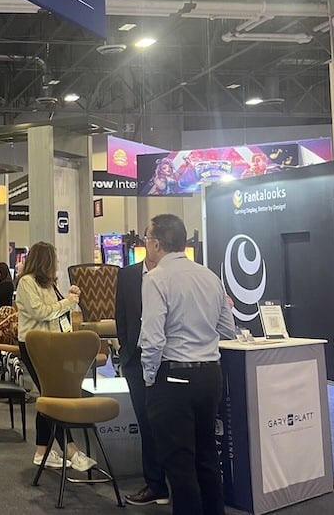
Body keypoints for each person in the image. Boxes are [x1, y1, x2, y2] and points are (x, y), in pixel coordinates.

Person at [140, 214, 236, 515]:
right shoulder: (209, 276)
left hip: (173, 378)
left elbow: (153, 338)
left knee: (179, 465)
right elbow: (227, 331)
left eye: (147, 240)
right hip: (210, 375)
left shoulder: (156, 278)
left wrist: (149, 377)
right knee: (207, 456)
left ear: (156, 243)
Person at [15, 240, 96, 472]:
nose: (58, 263)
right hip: (35, 346)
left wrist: (68, 298)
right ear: (46, 261)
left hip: (54, 346)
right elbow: (39, 312)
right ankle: (70, 449)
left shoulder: (50, 284)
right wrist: (66, 303)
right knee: (52, 397)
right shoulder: (27, 283)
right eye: (56, 259)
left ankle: (43, 451)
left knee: (48, 398)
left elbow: (58, 313)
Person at [116, 257, 170, 506]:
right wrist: (126, 350)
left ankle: (175, 482)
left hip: (168, 358)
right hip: (136, 360)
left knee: (168, 424)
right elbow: (121, 315)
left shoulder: (172, 273)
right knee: (146, 424)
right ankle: (155, 484)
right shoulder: (128, 275)